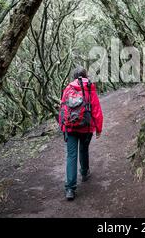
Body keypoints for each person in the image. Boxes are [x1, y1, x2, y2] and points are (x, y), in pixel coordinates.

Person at [59, 66, 103, 201]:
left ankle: (70, 189)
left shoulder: (68, 88)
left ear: (74, 77)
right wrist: (98, 128)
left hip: (70, 127)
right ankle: (84, 173)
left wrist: (63, 127)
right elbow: (96, 109)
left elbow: (62, 108)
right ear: (86, 75)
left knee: (71, 155)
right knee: (84, 150)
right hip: (86, 126)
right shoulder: (90, 87)